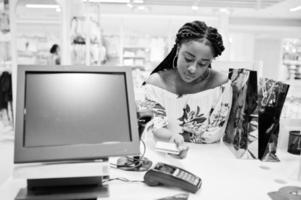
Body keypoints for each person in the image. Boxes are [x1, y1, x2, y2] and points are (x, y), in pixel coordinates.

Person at [137, 20, 233, 158]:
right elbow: (155, 127)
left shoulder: (221, 86)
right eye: (188, 58)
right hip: (164, 156)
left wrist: (180, 138)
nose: (193, 69)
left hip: (210, 159)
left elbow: (214, 134)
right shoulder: (155, 84)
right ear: (177, 50)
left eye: (203, 63)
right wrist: (173, 140)